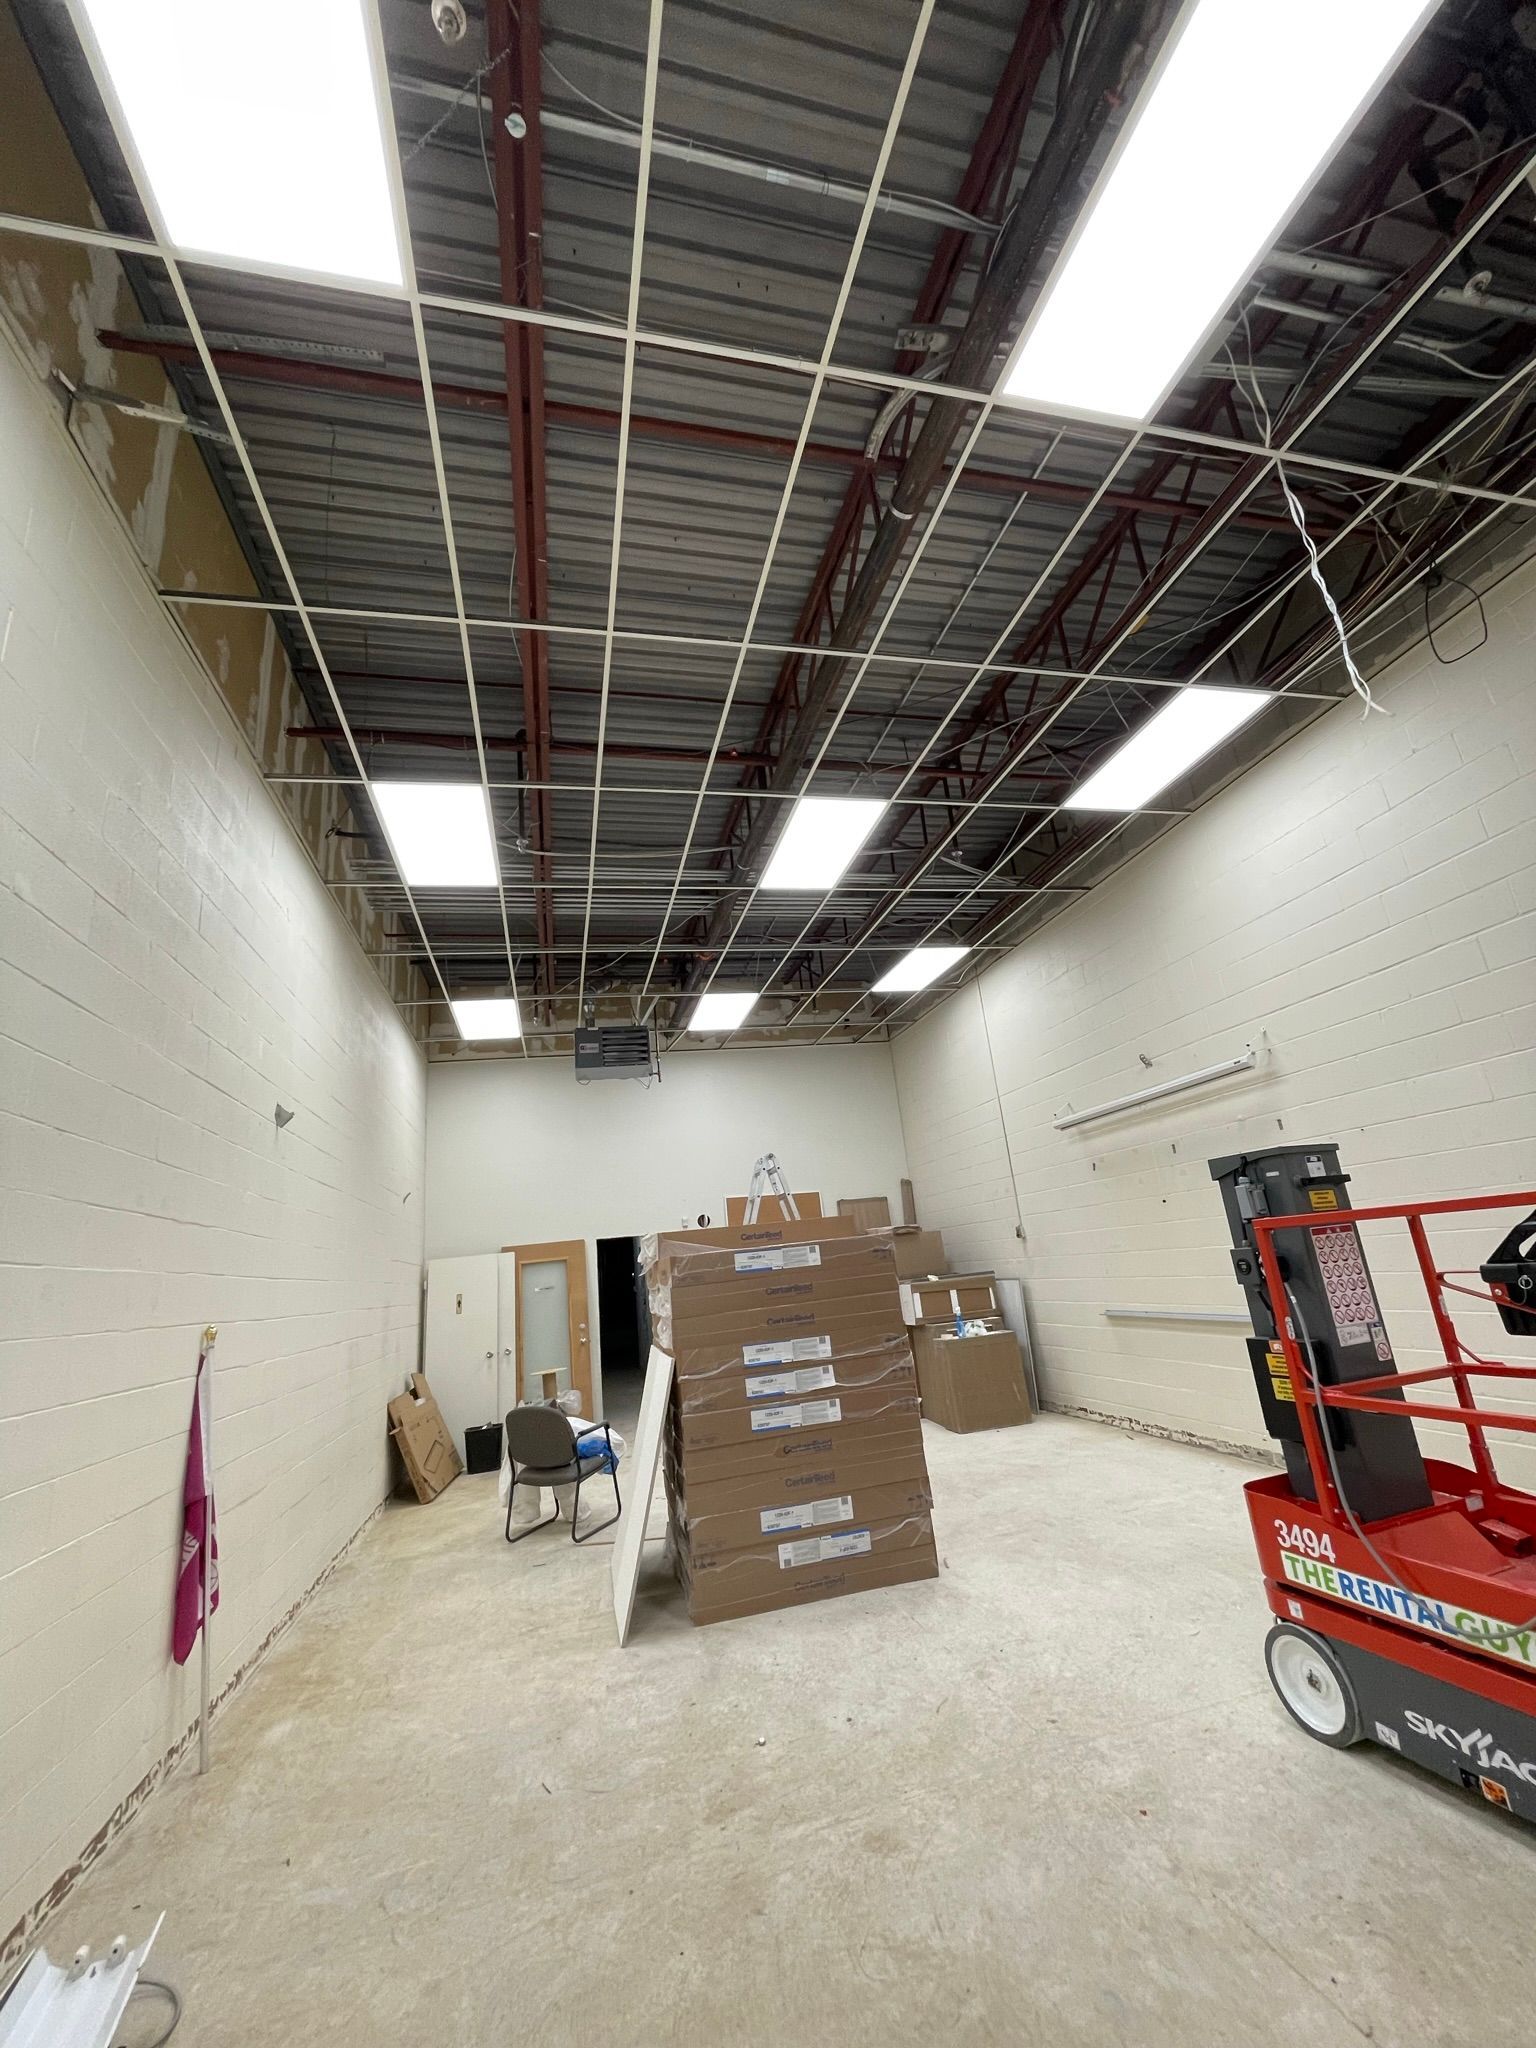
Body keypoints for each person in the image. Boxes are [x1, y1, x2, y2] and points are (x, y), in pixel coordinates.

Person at [499, 1389, 626, 1532]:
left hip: (531, 1473)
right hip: (565, 1470)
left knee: (562, 1454)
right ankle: (574, 1510)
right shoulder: (568, 1425)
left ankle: (528, 1512)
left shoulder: (522, 1434)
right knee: (570, 1454)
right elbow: (615, 1441)